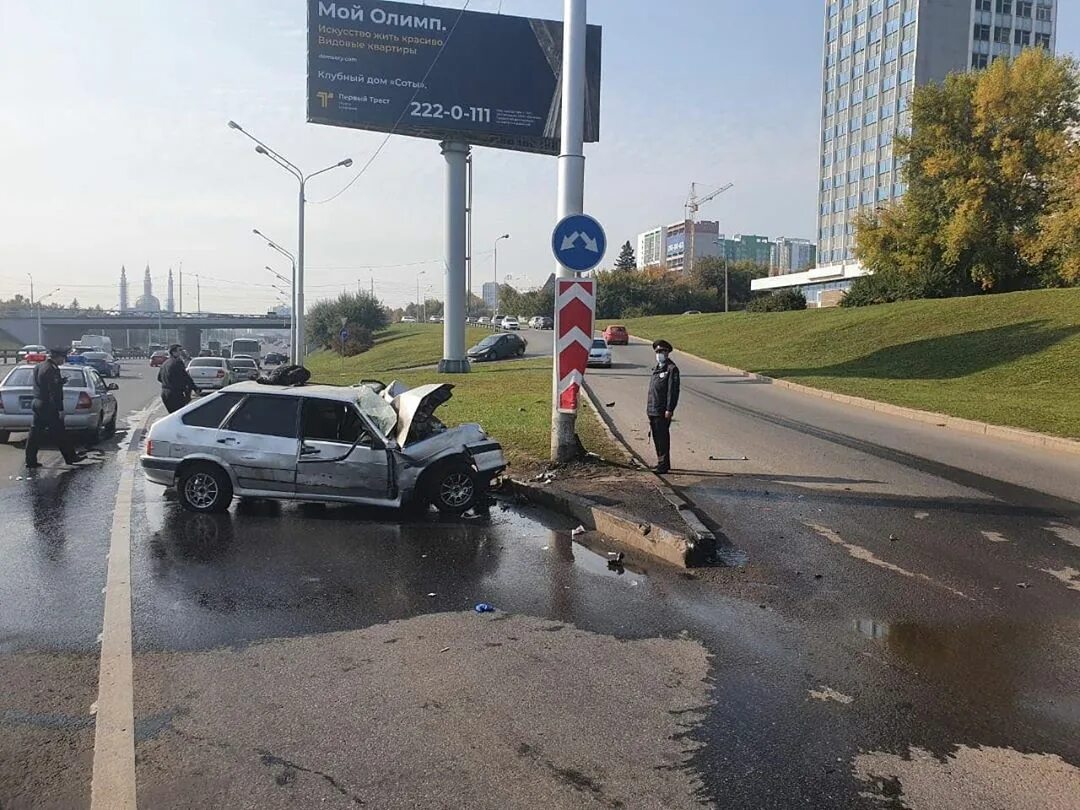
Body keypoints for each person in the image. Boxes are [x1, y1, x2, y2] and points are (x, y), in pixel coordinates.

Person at [25, 349, 86, 469]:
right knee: (60, 432)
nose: (63, 361)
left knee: (35, 433)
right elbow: (54, 391)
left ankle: (30, 460)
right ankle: (71, 457)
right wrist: (60, 409)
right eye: (63, 358)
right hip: (48, 405)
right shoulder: (51, 369)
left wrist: (60, 382)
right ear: (57, 357)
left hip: (37, 402)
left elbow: (44, 384)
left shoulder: (39, 366)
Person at [646, 339, 680, 474]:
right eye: (657, 351)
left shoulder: (671, 369)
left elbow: (673, 391)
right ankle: (660, 462)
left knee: (662, 438)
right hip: (653, 409)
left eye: (662, 351)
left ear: (668, 352)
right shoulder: (657, 368)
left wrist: (669, 409)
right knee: (656, 437)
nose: (659, 353)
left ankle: (664, 465)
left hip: (662, 410)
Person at [158, 344, 197, 413]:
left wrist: (168, 382)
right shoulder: (177, 362)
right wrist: (195, 388)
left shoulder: (165, 363)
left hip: (164, 393)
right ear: (173, 352)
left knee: (172, 415)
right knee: (178, 415)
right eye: (180, 350)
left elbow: (159, 378)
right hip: (175, 394)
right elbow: (185, 377)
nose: (181, 352)